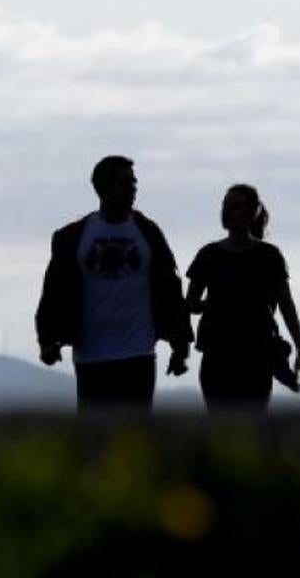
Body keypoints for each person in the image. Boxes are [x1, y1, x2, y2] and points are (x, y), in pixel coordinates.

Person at [35, 155, 192, 411]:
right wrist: (47, 340)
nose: (133, 189)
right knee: (95, 438)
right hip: (91, 356)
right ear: (104, 187)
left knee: (137, 436)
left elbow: (171, 289)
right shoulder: (73, 238)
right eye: (125, 183)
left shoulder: (148, 232)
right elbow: (53, 292)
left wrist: (181, 346)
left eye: (134, 183)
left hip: (139, 354)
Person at [185, 184, 300, 412]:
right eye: (225, 206)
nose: (227, 212)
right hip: (218, 357)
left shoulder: (269, 257)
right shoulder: (208, 255)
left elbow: (286, 305)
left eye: (235, 207)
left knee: (252, 429)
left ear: (252, 213)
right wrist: (210, 305)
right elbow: (190, 303)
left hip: (257, 357)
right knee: (220, 427)